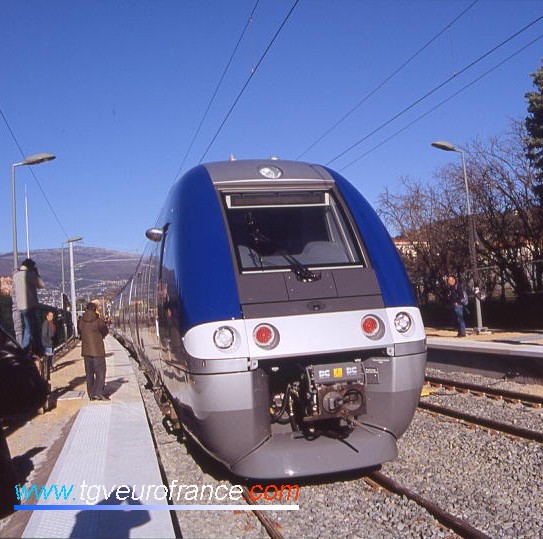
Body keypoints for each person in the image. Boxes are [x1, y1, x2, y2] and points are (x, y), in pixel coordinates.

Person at [12, 258, 45, 356]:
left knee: (26, 328)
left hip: (19, 306)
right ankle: (25, 349)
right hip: (30, 305)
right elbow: (41, 285)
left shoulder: (15, 275)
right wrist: (37, 273)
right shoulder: (31, 275)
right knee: (30, 328)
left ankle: (33, 349)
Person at [78, 302, 109, 401]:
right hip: (97, 351)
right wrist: (101, 336)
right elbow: (105, 331)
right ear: (95, 310)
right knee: (100, 372)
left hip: (86, 352)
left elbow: (80, 332)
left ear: (86, 309)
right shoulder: (98, 321)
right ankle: (98, 392)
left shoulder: (81, 322)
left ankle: (91, 394)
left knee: (89, 374)